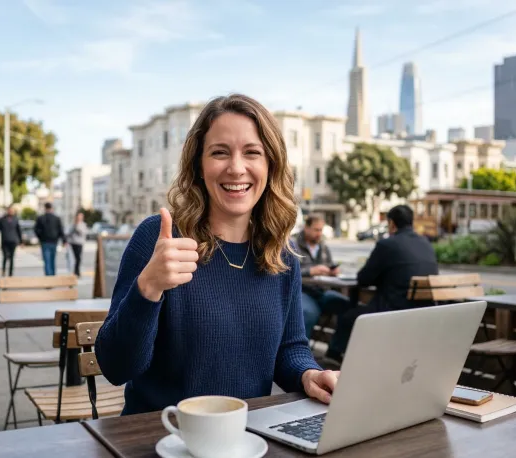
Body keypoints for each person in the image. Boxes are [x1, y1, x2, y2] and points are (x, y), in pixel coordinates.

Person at [94, 94, 339, 416]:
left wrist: (309, 374)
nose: (236, 168)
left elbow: (289, 348)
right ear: (198, 165)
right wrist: (148, 289)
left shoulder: (281, 254)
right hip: (161, 437)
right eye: (219, 153)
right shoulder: (158, 238)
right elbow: (116, 367)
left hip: (244, 436)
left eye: (252, 153)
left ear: (271, 165)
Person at [327, 205, 439, 362]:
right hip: (424, 311)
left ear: (392, 224)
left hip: (392, 311)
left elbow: (363, 279)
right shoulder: (426, 244)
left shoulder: (387, 244)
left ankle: (334, 357)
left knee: (348, 317)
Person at [296, 214, 353, 347]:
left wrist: (333, 271)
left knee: (348, 308)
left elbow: (330, 264)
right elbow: (285, 271)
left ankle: (334, 352)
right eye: (316, 230)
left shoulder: (323, 247)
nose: (319, 234)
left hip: (323, 291)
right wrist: (310, 271)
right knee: (308, 312)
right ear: (306, 228)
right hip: (304, 292)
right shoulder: (293, 245)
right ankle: (301, 355)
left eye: (321, 230)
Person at [35, 202, 66, 276]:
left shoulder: (40, 218)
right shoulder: (56, 218)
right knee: (52, 260)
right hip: (53, 241)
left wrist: (41, 237)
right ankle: (52, 276)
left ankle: (49, 277)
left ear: (45, 208)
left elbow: (36, 230)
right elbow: (60, 230)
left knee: (47, 260)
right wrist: (64, 240)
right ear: (51, 208)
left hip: (45, 242)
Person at [0, 206, 22, 277]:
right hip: (5, 241)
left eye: (12, 210)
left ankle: (10, 273)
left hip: (13, 241)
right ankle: (3, 271)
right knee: (5, 257)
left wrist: (21, 241)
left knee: (12, 258)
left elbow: (19, 230)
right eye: (10, 210)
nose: (11, 212)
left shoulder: (15, 219)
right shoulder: (2, 219)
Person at [67, 211, 88, 277]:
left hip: (80, 243)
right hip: (73, 243)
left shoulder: (83, 224)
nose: (80, 217)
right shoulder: (73, 224)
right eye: (79, 216)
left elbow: (83, 233)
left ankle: (77, 271)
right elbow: (69, 233)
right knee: (74, 258)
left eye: (81, 216)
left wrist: (77, 227)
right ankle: (75, 271)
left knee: (78, 258)